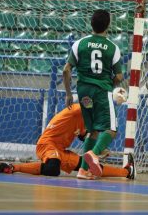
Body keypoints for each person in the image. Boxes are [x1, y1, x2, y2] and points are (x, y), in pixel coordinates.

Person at [0, 103, 135, 180]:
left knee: (88, 166)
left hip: (61, 150)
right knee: (52, 169)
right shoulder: (76, 111)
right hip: (47, 144)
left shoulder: (85, 121)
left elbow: (84, 136)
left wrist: (99, 150)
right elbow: (85, 103)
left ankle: (126, 172)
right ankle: (13, 167)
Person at [63, 9, 123, 178]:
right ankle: (94, 154)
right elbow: (119, 76)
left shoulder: (79, 44)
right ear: (108, 25)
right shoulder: (113, 47)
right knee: (111, 129)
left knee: (92, 131)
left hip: (84, 94)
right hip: (101, 92)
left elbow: (66, 70)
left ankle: (82, 170)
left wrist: (69, 94)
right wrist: (111, 87)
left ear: (91, 24)